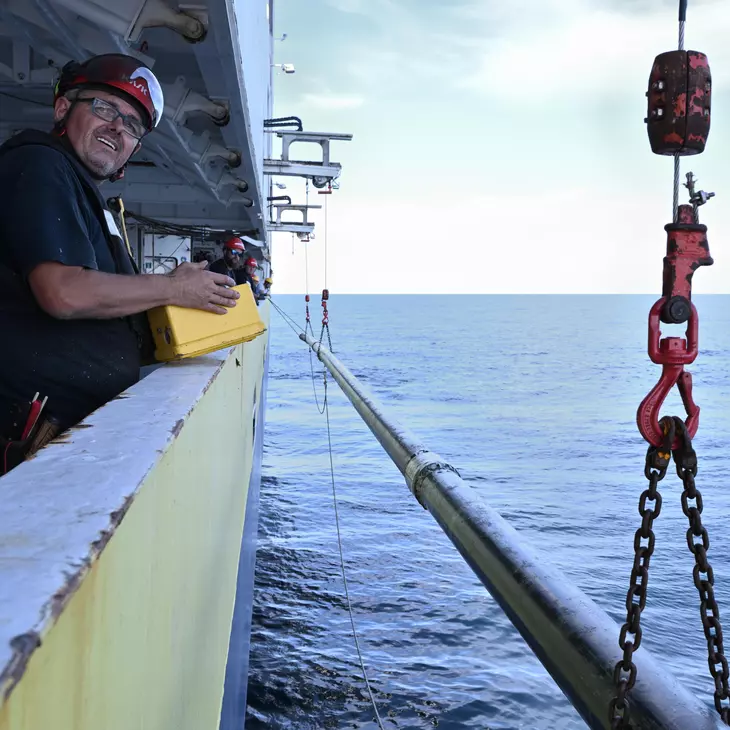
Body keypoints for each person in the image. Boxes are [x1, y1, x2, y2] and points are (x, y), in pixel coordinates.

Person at [0, 53, 239, 474]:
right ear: (62, 109)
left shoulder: (80, 190)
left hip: (68, 439)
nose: (117, 127)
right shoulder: (39, 164)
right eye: (105, 108)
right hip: (27, 448)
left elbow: (104, 309)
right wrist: (173, 287)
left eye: (131, 124)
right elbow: (63, 293)